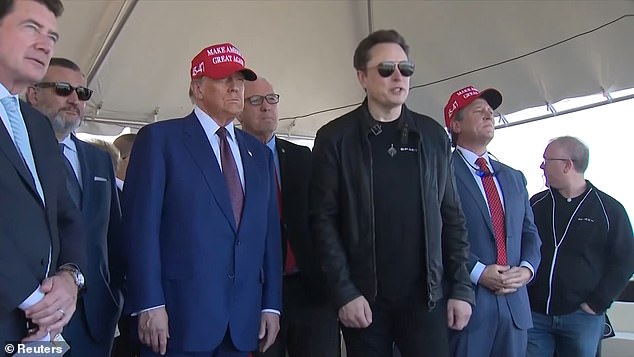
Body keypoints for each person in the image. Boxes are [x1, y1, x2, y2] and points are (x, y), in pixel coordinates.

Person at [309, 29, 474, 357]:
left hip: (427, 299)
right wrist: (344, 292)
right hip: (365, 301)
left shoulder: (433, 136)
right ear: (362, 77)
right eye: (386, 69)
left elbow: (452, 217)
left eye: (405, 69)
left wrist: (462, 289)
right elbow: (322, 222)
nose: (398, 77)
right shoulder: (334, 139)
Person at [122, 42, 282, 357]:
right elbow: (140, 230)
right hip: (177, 321)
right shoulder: (160, 141)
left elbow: (268, 237)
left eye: (240, 79)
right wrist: (149, 302)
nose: (236, 86)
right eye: (224, 79)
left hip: (241, 322)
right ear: (198, 87)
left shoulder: (259, 155)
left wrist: (272, 305)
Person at [0, 0, 86, 343]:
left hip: (41, 334)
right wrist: (38, 302)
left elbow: (66, 215)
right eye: (31, 28)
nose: (45, 44)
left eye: (52, 36)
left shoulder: (36, 124)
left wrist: (71, 278)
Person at [26, 57, 124, 355]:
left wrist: (116, 297)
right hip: (33, 317)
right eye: (63, 88)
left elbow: (113, 236)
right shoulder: (14, 156)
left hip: (95, 320)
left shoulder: (99, 159)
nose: (74, 99)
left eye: (82, 93)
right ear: (33, 93)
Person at [238, 77, 340, 357]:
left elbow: (326, 219)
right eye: (255, 101)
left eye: (272, 99)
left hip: (310, 288)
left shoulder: (301, 157)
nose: (266, 107)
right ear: (239, 110)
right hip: (256, 293)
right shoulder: (229, 158)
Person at [444, 86, 541, 357]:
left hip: (515, 305)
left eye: (491, 111)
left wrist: (527, 268)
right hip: (468, 304)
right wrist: (476, 270)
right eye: (479, 111)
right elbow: (434, 233)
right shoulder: (440, 172)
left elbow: (530, 232)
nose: (489, 115)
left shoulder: (514, 177)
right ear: (456, 124)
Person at [527, 136, 634, 357]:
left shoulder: (608, 209)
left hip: (582, 316)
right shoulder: (536, 204)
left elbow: (626, 259)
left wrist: (597, 303)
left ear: (568, 164)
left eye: (546, 160)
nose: (541, 165)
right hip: (535, 315)